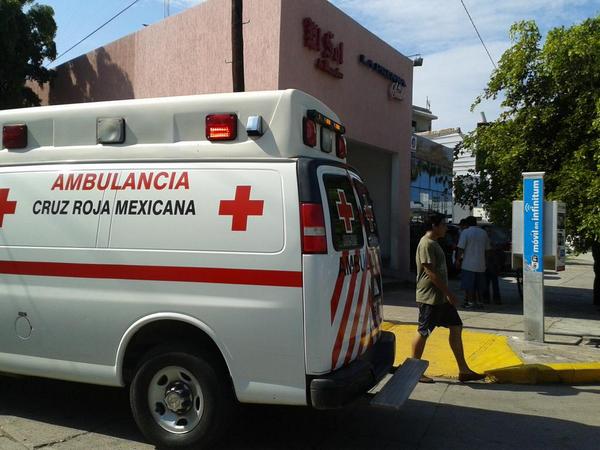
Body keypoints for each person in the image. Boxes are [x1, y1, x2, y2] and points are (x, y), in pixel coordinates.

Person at [412, 213, 484, 383]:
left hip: (440, 298)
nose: (446, 228)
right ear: (434, 226)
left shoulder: (434, 243)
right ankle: (414, 370)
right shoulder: (426, 244)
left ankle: (464, 370)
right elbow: (430, 273)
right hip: (430, 297)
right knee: (423, 332)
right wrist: (449, 293)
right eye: (443, 225)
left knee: (456, 326)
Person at [456, 216, 491, 309]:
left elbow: (461, 248)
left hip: (468, 264)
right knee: (480, 285)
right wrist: (486, 261)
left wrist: (457, 260)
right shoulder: (483, 233)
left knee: (469, 285)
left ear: (467, 224)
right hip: (481, 264)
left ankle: (470, 302)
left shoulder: (465, 232)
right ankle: (480, 302)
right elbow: (487, 250)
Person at [483, 228, 502, 304]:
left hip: (492, 264)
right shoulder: (492, 241)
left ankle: (492, 299)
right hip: (489, 263)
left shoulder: (488, 241)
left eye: (489, 231)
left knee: (493, 282)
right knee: (489, 282)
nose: (488, 232)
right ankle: (491, 299)